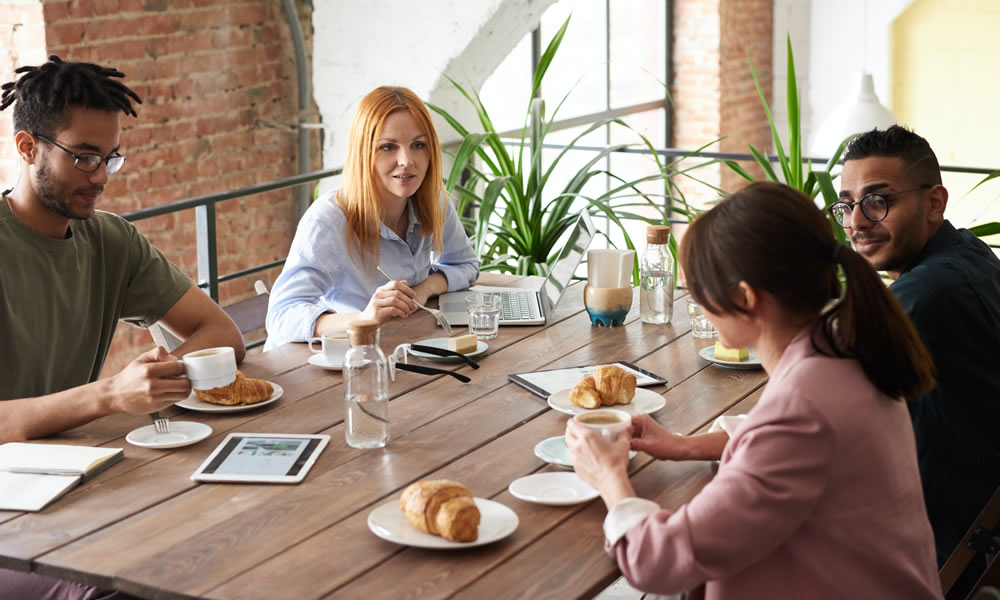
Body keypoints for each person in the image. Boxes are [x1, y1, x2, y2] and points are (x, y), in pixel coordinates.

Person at [566, 182, 942, 598]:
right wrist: (684, 445)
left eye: (696, 291)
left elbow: (657, 561)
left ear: (745, 298)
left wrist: (608, 476)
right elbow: (785, 445)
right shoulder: (844, 352)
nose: (697, 304)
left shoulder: (803, 410)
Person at [0, 56, 244, 596]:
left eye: (111, 158)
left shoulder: (110, 240)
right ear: (26, 148)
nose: (100, 178)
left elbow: (221, 332)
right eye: (84, 158)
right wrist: (110, 394)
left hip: (78, 480)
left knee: (230, 534)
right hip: (14, 516)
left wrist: (160, 373)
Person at [837, 125, 1000, 566]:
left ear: (934, 202)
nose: (856, 222)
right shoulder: (966, 253)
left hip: (942, 548)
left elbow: (821, 412)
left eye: (878, 200)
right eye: (848, 205)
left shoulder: (928, 291)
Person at [265, 86, 478, 348]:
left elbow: (465, 265)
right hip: (338, 362)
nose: (406, 160)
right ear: (364, 153)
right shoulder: (328, 220)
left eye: (418, 145)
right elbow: (280, 316)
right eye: (388, 147)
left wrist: (424, 289)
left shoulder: (434, 203)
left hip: (402, 349)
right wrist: (364, 318)